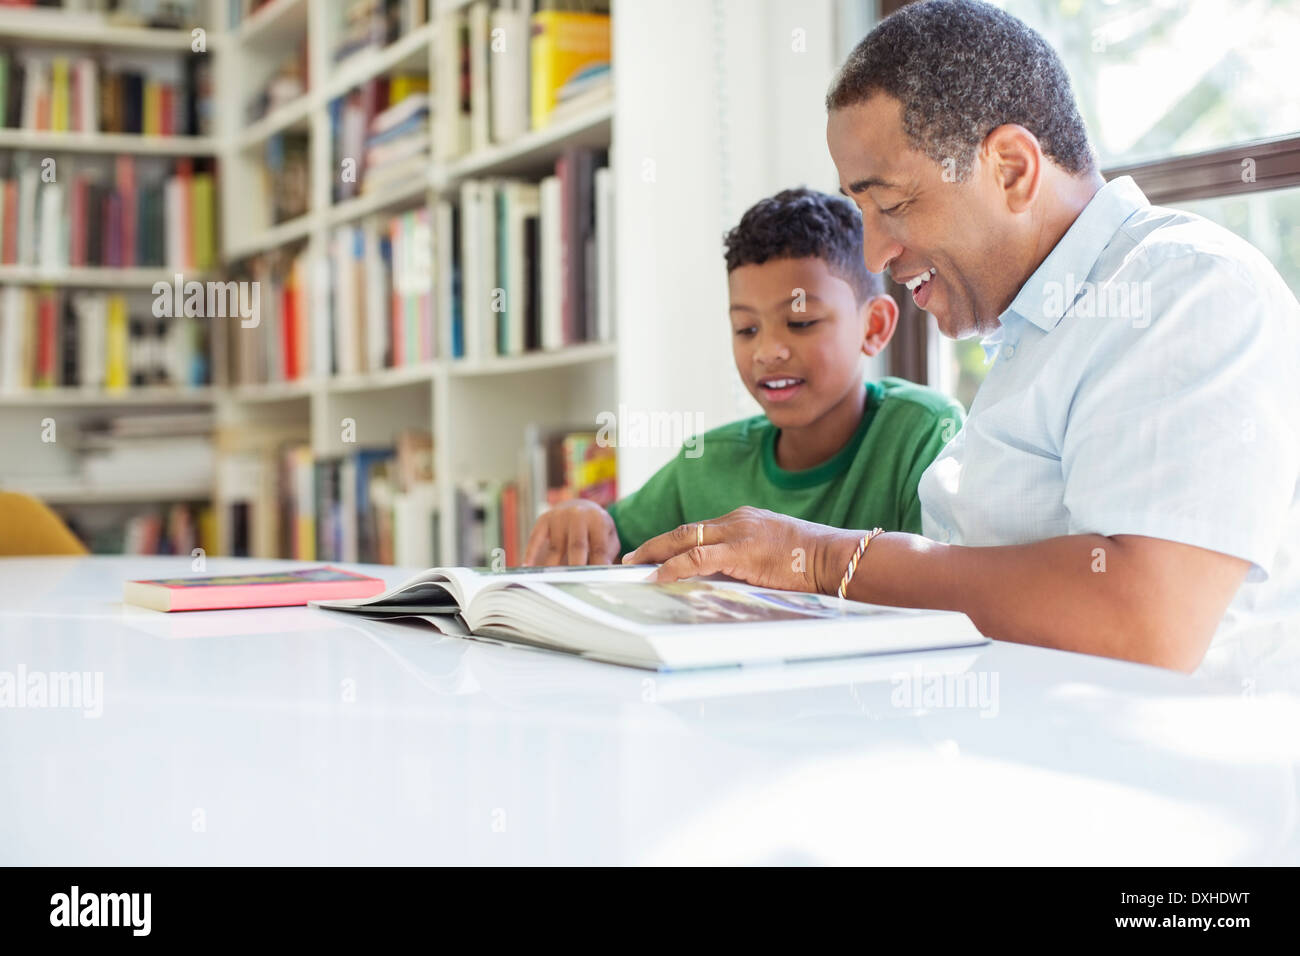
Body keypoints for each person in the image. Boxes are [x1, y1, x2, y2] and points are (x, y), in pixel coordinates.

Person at [624, 0, 1300, 676]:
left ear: (1010, 169)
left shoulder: (1184, 289)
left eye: (890, 204)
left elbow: (1145, 619)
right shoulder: (1036, 334)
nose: (875, 254)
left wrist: (824, 559)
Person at [524, 187, 964, 566]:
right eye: (746, 329)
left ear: (874, 327)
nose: (767, 351)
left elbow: (941, 585)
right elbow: (613, 540)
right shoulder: (706, 463)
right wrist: (584, 517)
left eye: (802, 322)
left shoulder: (921, 431)